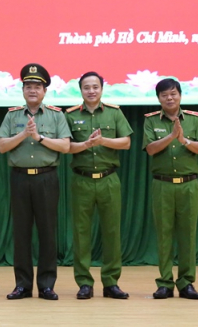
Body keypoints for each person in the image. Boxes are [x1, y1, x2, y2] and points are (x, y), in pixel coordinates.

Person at [0, 63, 71, 300]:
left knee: (48, 232)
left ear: (44, 90)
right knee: (21, 233)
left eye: (37, 86)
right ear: (22, 90)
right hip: (19, 179)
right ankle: (23, 285)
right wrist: (23, 134)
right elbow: (2, 146)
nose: (32, 90)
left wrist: (38, 137)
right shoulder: (12, 115)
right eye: (28, 86)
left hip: (46, 178)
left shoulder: (56, 115)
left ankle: (47, 285)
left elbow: (65, 146)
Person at [65, 71, 132, 300]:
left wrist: (103, 141)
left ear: (102, 88)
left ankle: (111, 282)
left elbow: (126, 142)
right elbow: (66, 147)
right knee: (81, 233)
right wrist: (85, 144)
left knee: (112, 232)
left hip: (109, 179)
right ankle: (84, 283)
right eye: (86, 87)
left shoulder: (114, 113)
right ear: (80, 90)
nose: (91, 91)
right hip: (81, 180)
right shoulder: (71, 115)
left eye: (95, 87)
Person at [143, 78, 198, 300]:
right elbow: (150, 149)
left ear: (180, 95)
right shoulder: (151, 121)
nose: (169, 98)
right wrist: (171, 137)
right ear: (158, 98)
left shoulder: (194, 120)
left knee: (188, 234)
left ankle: (187, 283)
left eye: (173, 93)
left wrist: (185, 140)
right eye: (164, 95)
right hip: (162, 185)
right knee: (164, 235)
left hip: (189, 185)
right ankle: (164, 283)